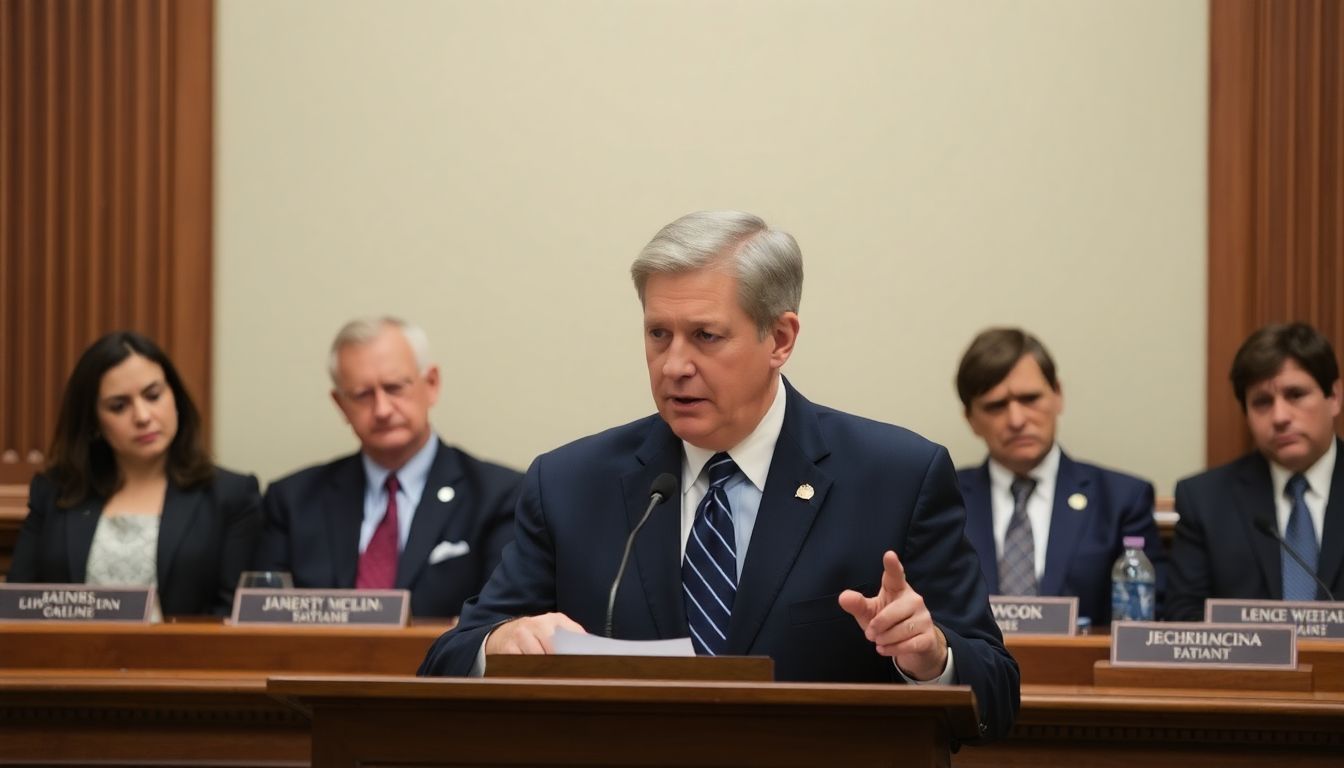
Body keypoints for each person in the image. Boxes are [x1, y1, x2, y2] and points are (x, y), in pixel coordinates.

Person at [418, 210, 1019, 744]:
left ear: (779, 339)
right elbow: (446, 661)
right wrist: (499, 644)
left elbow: (997, 693)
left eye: (705, 336)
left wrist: (930, 657)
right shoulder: (571, 483)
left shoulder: (897, 477)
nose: (675, 365)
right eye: (659, 335)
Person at [253, 317, 523, 618]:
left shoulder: (498, 496)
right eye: (362, 395)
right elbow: (266, 622)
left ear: (431, 384)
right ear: (340, 404)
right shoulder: (292, 501)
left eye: (394, 388)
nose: (382, 410)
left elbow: (500, 620)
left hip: (442, 665)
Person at [10, 331, 261, 616]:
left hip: (188, 659)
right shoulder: (55, 492)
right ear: (93, 421)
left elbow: (235, 617)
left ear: (175, 397)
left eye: (153, 396)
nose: (142, 416)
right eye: (119, 406)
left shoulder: (231, 495)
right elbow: (19, 607)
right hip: (70, 658)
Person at [954, 328, 1165, 625]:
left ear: (1058, 396)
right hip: (975, 671)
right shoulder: (944, 498)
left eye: (1030, 399)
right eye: (996, 406)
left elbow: (1149, 620)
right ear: (971, 420)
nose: (1017, 420)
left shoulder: (1121, 499)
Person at [1165, 322, 1344, 620]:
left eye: (1295, 394)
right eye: (1262, 402)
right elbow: (1184, 616)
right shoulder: (1205, 500)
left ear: (1334, 397)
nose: (1280, 417)